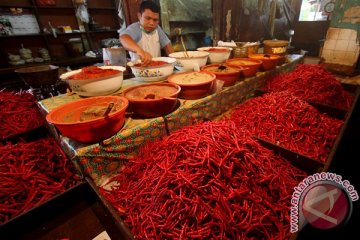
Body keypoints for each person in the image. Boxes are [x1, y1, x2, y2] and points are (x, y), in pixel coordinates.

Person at [119, 0, 174, 65]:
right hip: (139, 69)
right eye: (148, 18)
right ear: (139, 16)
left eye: (155, 20)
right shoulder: (135, 28)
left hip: (157, 68)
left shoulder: (157, 29)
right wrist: (139, 50)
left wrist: (175, 61)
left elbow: (167, 46)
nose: (152, 23)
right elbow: (123, 38)